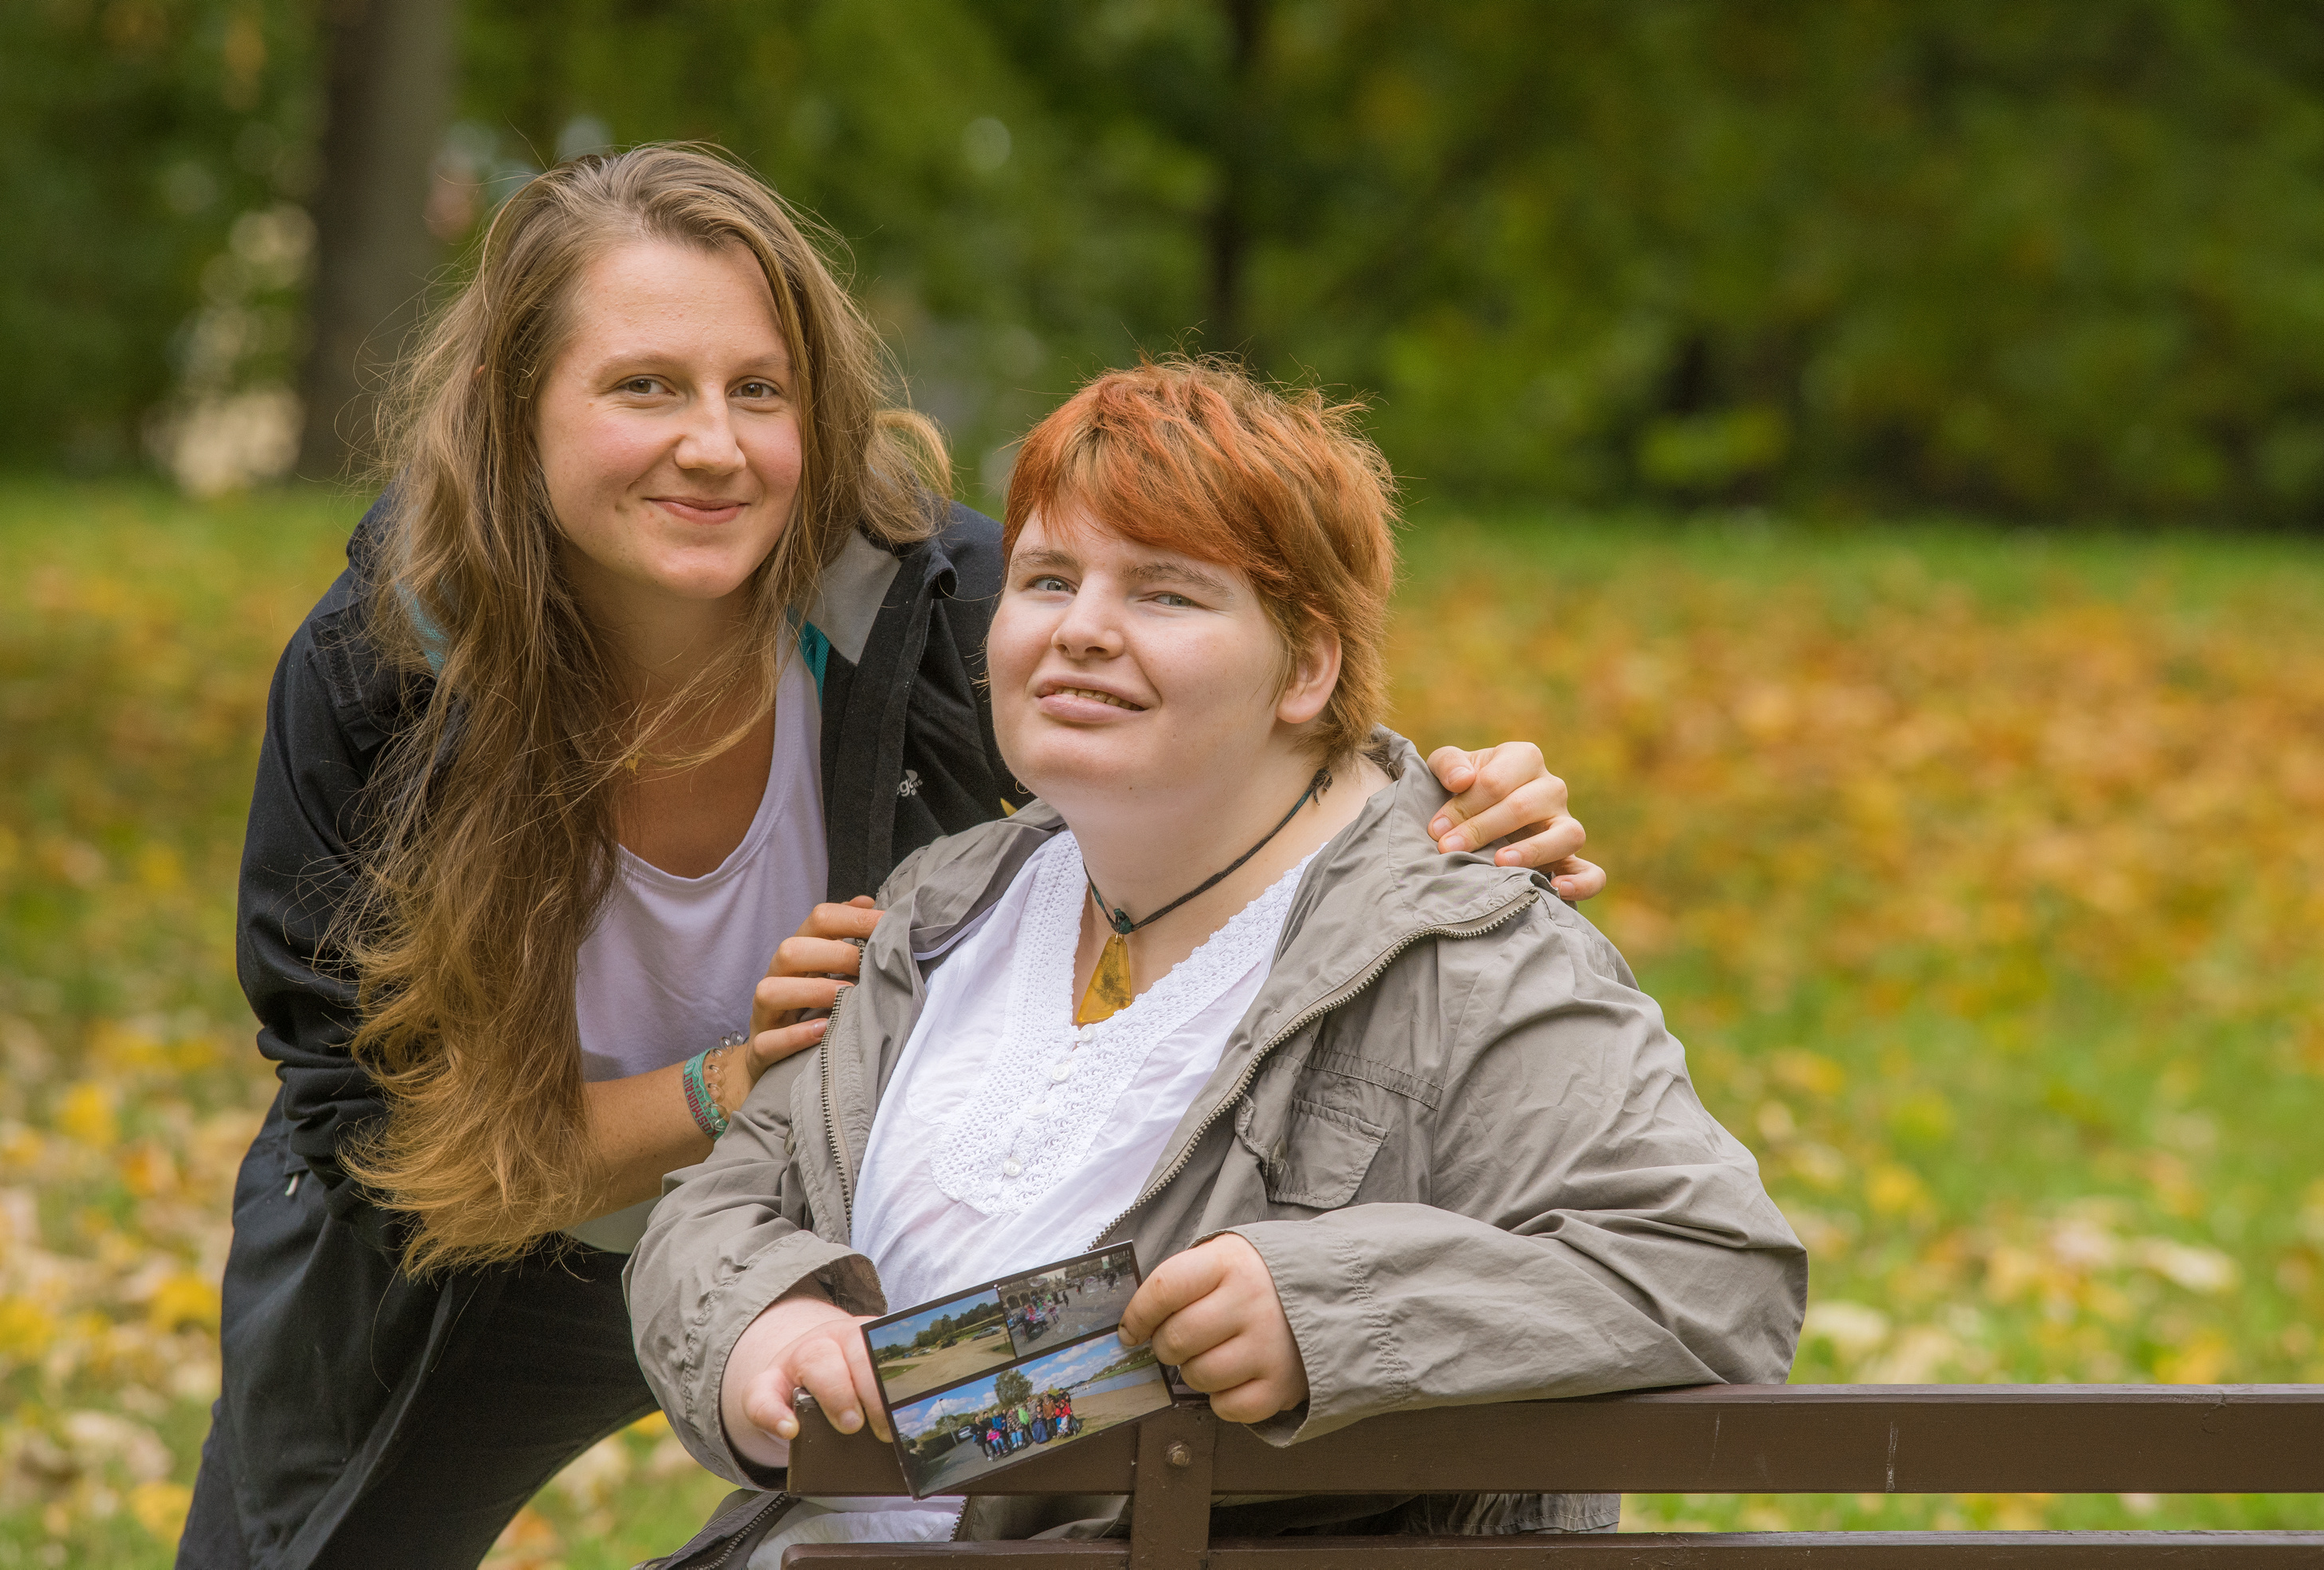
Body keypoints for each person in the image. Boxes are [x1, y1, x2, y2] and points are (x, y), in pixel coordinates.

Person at [181, 146, 1602, 1570]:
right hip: (474, 1258)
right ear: (514, 413)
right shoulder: (383, 676)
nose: (714, 445)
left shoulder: (915, 595)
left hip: (840, 1254)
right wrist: (729, 1085)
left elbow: (1220, 722)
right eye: (643, 387)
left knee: (917, 1510)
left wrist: (1434, 803)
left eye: (761, 389)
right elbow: (386, 1147)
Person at [625, 359, 1807, 1567]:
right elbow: (722, 1211)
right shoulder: (941, 906)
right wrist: (762, 1321)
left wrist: (1326, 1312)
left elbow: (1711, 1272)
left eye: (1166, 594)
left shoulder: (1462, 951)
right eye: (1045, 579)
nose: (1080, 629)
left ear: (1307, 667)